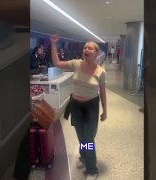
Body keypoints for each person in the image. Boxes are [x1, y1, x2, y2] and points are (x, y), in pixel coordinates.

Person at [51, 33, 107, 180]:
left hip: (90, 107)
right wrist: (53, 44)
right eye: (85, 47)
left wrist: (105, 111)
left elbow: (103, 93)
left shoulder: (101, 72)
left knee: (88, 139)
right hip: (75, 105)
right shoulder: (76, 64)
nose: (86, 50)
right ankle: (83, 157)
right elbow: (57, 63)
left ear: (96, 53)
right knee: (81, 137)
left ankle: (92, 169)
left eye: (90, 48)